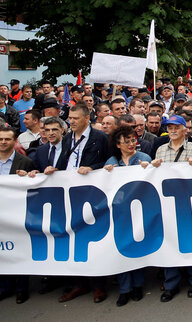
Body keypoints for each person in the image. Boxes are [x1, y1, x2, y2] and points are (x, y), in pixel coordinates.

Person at [46, 104, 110, 303]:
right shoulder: (67, 139)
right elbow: (65, 162)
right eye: (70, 118)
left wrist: (92, 168)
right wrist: (53, 170)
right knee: (74, 240)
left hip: (92, 194)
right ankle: (79, 283)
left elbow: (109, 162)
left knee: (93, 238)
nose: (71, 121)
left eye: (75, 118)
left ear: (87, 118)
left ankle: (99, 285)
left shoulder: (100, 138)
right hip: (69, 195)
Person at [151, 115, 192, 302]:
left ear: (185, 129)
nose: (172, 130)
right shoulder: (160, 150)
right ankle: (171, 284)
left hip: (189, 203)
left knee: (191, 240)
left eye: (176, 127)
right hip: (166, 204)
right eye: (170, 127)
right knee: (170, 243)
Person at [102, 125, 151, 306]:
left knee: (136, 247)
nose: (131, 144)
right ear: (118, 144)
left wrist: (148, 168)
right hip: (119, 213)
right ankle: (125, 288)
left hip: (139, 210)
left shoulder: (143, 158)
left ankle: (138, 285)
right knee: (121, 249)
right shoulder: (111, 162)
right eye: (127, 141)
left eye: (133, 140)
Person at [0, 124, 35, 304]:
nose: (3, 142)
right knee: (3, 252)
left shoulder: (25, 162)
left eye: (7, 139)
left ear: (14, 142)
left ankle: (22, 288)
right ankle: (5, 287)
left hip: (19, 214)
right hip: (1, 217)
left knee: (20, 250)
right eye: (0, 139)